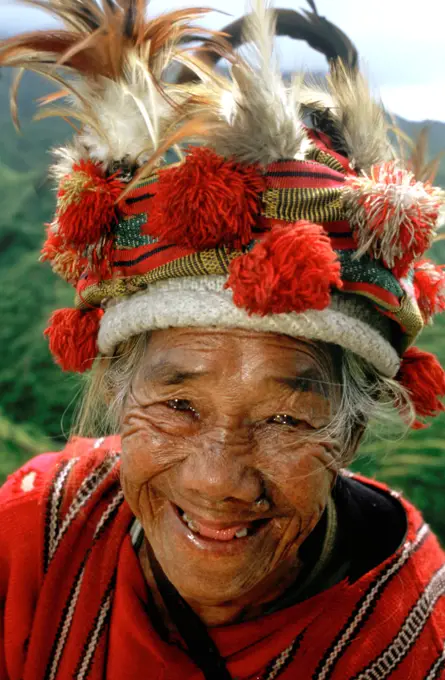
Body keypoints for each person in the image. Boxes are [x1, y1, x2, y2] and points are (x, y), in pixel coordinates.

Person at [1, 1, 445, 678]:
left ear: (349, 436)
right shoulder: (37, 532)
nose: (217, 480)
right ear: (120, 398)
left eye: (285, 419)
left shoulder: (412, 644)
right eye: (178, 406)